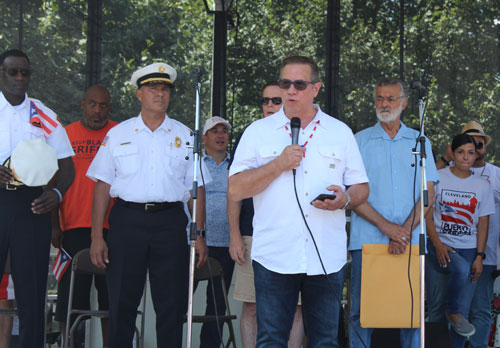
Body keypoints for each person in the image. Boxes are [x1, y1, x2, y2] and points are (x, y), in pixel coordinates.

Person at [228, 56, 369, 347]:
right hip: (274, 257)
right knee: (270, 340)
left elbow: (362, 188)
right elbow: (235, 189)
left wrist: (344, 199)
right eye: (285, 84)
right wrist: (277, 164)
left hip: (326, 258)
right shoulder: (258, 131)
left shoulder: (339, 132)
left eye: (300, 84)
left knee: (325, 341)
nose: (290, 91)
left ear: (316, 88)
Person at [87, 62, 208, 348]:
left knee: (171, 306)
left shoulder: (186, 136)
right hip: (128, 221)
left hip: (170, 224)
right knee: (121, 304)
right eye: (153, 88)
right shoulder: (118, 134)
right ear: (139, 94)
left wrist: (199, 234)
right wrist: (96, 236)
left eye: (165, 89)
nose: (160, 94)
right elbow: (103, 186)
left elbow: (196, 190)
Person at [349, 77, 439, 348]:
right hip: (367, 241)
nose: (384, 104)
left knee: (410, 312)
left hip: (410, 241)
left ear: (405, 103)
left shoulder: (420, 141)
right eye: (380, 98)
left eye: (390, 98)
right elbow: (352, 195)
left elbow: (429, 194)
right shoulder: (359, 141)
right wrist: (390, 229)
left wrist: (404, 231)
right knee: (361, 312)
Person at [0, 48, 75, 348]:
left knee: (32, 291)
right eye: (12, 71)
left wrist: (56, 194)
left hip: (33, 204)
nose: (20, 77)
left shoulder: (42, 113)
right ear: (1, 73)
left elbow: (67, 164)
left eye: (25, 72)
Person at [228, 80, 306, 348]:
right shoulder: (251, 135)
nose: (270, 105)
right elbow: (234, 190)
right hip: (253, 235)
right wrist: (235, 235)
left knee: (296, 309)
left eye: (276, 100)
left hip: (295, 236)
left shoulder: (305, 132)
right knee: (251, 307)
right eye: (265, 101)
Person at [51, 84, 117, 346]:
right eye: (92, 104)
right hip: (73, 227)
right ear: (83, 104)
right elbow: (51, 183)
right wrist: (54, 225)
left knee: (110, 299)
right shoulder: (65, 135)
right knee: (70, 301)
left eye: (103, 105)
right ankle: (70, 344)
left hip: (112, 227)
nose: (97, 110)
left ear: (109, 108)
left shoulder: (118, 133)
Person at [432, 120, 500, 348]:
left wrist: (480, 255)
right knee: (440, 308)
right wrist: (437, 244)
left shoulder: (486, 181)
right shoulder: (440, 175)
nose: (467, 156)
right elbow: (425, 211)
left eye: (472, 151)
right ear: (453, 151)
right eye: (461, 151)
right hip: (441, 247)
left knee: (469, 311)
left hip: (476, 251)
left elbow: (484, 221)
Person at [197, 116, 234, 348]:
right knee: (179, 301)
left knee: (217, 307)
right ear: (204, 138)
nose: (221, 135)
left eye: (224, 131)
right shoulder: (194, 164)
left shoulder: (238, 165)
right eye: (214, 131)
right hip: (196, 242)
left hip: (226, 243)